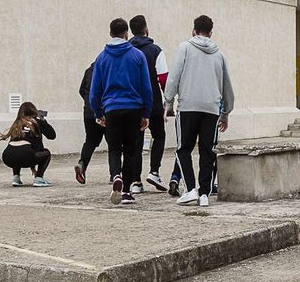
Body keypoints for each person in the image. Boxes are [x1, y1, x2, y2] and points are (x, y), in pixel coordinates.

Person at [162, 14, 234, 208]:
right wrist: (226, 112)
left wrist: (168, 102)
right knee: (207, 151)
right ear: (211, 33)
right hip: (211, 109)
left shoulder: (184, 47)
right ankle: (204, 194)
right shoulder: (219, 55)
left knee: (183, 148)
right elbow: (227, 86)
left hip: (188, 107)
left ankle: (190, 189)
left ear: (193, 30)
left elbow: (173, 76)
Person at [87, 17, 153, 205]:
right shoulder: (137, 56)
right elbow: (146, 87)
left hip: (112, 108)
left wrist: (98, 113)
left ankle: (116, 175)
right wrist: (146, 113)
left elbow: (95, 89)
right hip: (133, 108)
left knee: (114, 148)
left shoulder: (101, 58)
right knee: (131, 150)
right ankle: (126, 192)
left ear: (110, 34)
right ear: (126, 34)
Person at [128, 14, 170, 192]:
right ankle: (154, 171)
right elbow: (164, 79)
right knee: (159, 136)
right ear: (146, 29)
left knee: (135, 141)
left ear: (131, 31)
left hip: (133, 104)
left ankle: (136, 181)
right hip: (153, 102)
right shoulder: (155, 50)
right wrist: (169, 102)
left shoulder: (126, 50)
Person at [0, 101, 56, 186]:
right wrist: (43, 121)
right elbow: (52, 136)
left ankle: (16, 178)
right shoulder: (37, 122)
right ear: (34, 111)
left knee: (17, 150)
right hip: (25, 155)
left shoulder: (17, 123)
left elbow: (20, 148)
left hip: (7, 157)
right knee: (46, 153)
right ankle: (39, 179)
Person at [74, 62, 105, 185]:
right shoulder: (106, 70)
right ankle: (114, 175)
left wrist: (88, 102)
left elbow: (81, 90)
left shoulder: (88, 71)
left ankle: (82, 164)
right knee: (114, 144)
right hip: (105, 111)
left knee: (90, 141)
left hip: (88, 112)